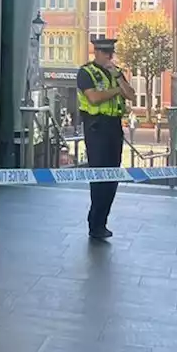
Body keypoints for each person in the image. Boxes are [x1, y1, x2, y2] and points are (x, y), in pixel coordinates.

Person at [77, 37, 135, 240]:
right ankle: (95, 224)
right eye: (106, 53)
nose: (110, 57)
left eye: (111, 53)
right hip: (96, 127)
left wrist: (119, 78)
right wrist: (117, 90)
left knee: (112, 176)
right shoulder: (86, 73)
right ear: (97, 53)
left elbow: (131, 95)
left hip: (114, 127)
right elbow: (93, 97)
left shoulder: (115, 73)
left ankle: (102, 222)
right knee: (100, 176)